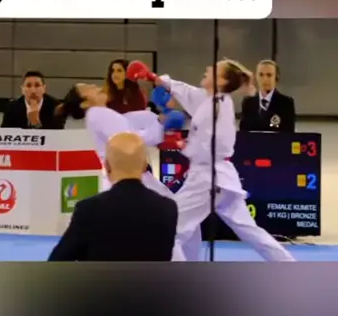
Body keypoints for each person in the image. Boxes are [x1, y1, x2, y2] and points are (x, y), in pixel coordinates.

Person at [133, 59, 295, 261]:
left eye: (213, 70)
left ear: (222, 81)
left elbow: (214, 146)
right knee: (250, 231)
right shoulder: (210, 99)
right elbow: (186, 91)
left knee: (170, 229)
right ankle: (289, 264)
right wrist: (156, 78)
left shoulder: (217, 107)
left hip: (208, 180)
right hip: (222, 179)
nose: (207, 69)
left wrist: (180, 144)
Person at [48, 132, 178, 261]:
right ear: (145, 166)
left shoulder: (89, 209)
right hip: (151, 276)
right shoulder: (168, 208)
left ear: (107, 166)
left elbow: (57, 261)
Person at [60, 83, 174, 197]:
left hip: (122, 178)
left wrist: (158, 118)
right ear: (84, 103)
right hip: (126, 178)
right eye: (87, 88)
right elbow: (131, 141)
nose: (94, 86)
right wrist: (159, 123)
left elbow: (133, 121)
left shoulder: (101, 115)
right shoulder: (97, 113)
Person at [239, 60, 296, 132]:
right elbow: (243, 132)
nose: (265, 79)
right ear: (256, 77)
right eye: (261, 75)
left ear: (276, 78)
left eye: (269, 75)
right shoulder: (248, 103)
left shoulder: (286, 103)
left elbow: (289, 134)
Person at [1, 71, 66, 129]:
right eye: (28, 86)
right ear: (22, 89)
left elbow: (55, 136)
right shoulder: (12, 107)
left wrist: (36, 123)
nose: (33, 91)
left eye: (37, 85)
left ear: (44, 89)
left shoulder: (56, 108)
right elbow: (3, 133)